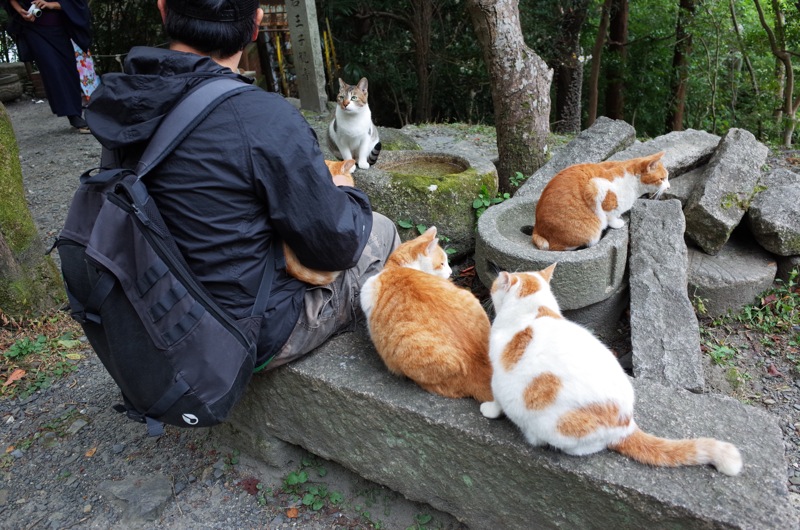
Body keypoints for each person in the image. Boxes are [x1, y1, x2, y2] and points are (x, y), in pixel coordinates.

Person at [84, 0, 400, 371]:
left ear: (163, 10)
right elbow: (337, 246)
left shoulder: (124, 99)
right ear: (256, 26)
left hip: (155, 314)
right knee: (380, 229)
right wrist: (345, 189)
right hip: (244, 334)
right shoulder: (264, 118)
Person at [1, 0, 93, 132]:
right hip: (33, 29)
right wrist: (20, 10)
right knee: (52, 68)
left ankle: (75, 110)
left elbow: (77, 3)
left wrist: (51, 4)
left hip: (58, 27)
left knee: (68, 69)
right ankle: (73, 116)